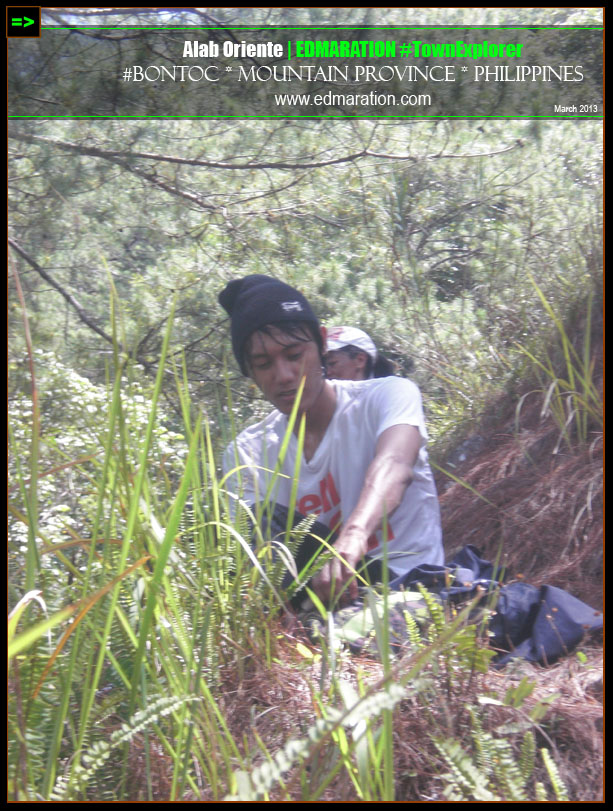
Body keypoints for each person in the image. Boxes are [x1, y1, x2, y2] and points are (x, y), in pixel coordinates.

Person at [219, 274, 443, 604]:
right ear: (249, 372)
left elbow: (395, 464)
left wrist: (353, 537)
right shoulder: (247, 453)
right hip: (319, 601)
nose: (283, 375)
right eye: (263, 364)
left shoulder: (387, 395)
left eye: (294, 355)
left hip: (408, 584)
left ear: (322, 343)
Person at [325, 326, 396, 381]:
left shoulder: (390, 394)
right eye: (323, 366)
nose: (327, 372)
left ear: (360, 360)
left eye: (332, 364)